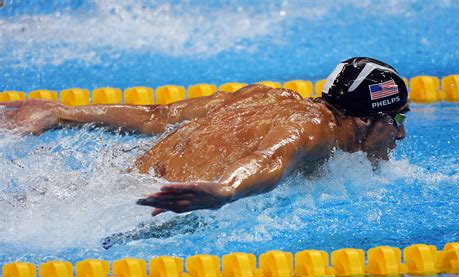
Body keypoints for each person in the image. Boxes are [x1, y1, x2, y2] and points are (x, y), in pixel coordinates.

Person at [0, 57, 409, 218]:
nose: (401, 134)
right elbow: (270, 158)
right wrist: (225, 190)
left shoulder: (264, 96)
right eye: (396, 119)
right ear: (362, 121)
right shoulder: (315, 130)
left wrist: (62, 112)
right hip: (161, 203)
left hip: (121, 181)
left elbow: (159, 115)